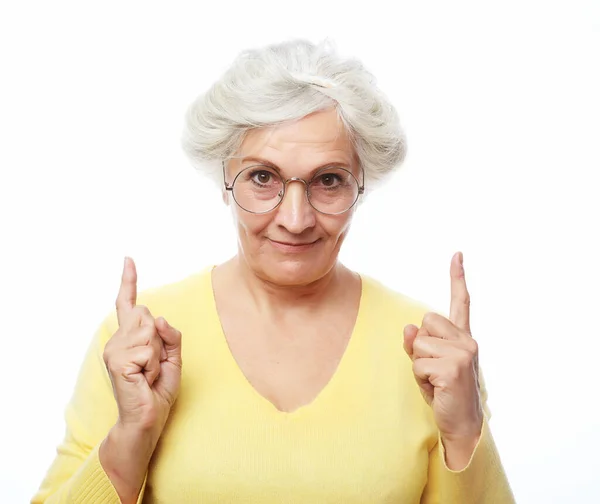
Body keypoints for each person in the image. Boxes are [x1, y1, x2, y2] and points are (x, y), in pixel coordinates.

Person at [32, 39, 515, 503]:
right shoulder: (137, 341)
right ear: (224, 178)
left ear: (362, 185)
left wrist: (464, 431)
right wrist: (131, 436)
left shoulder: (437, 355)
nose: (295, 218)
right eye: (262, 177)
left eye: (328, 180)